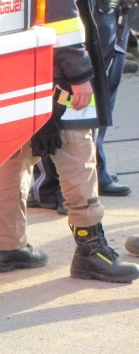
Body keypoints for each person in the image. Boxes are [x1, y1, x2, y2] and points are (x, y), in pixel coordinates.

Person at [0, 0, 139, 283]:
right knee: (78, 155)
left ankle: (8, 246)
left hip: (20, 71)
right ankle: (90, 251)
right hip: (58, 77)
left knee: (17, 158)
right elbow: (64, 21)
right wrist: (79, 75)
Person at [27, 0, 134, 215]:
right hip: (74, 23)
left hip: (106, 13)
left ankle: (93, 171)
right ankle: (56, 188)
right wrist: (78, 75)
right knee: (66, 106)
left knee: (100, 95)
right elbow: (62, 23)